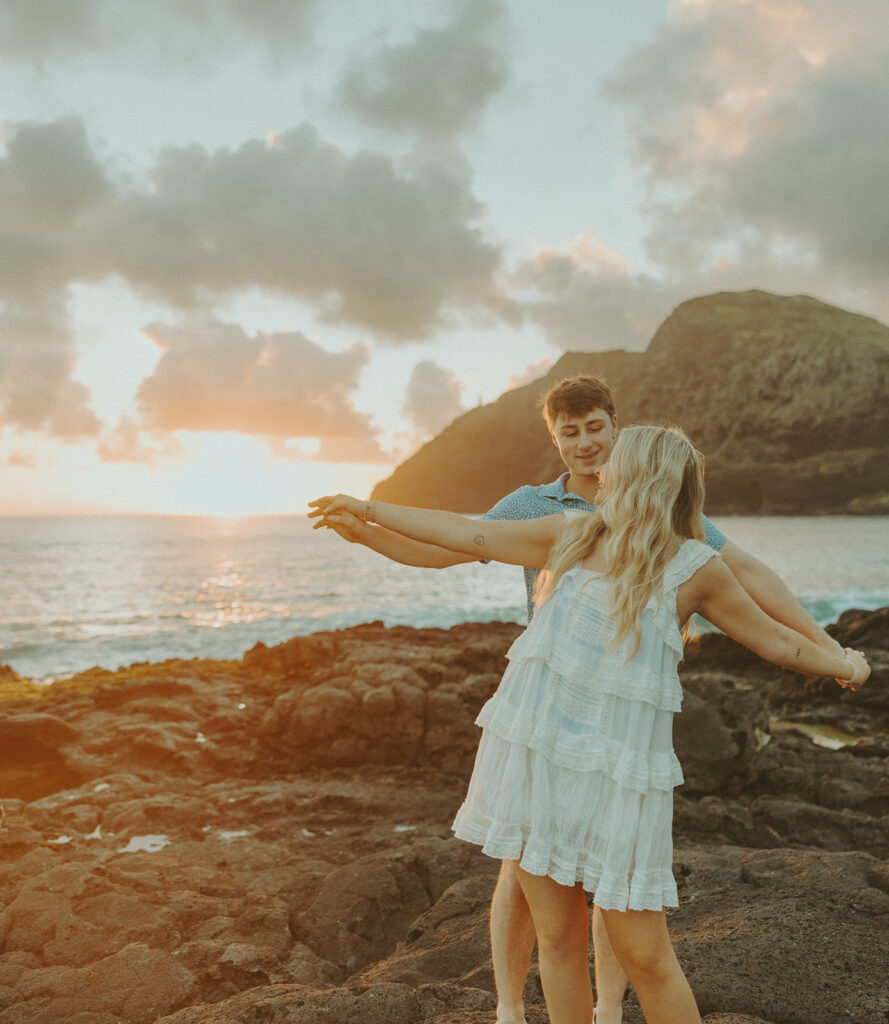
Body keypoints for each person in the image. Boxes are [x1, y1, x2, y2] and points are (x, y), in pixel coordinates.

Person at [310, 375, 847, 1024]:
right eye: (572, 432)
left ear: (616, 433)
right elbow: (453, 540)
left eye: (597, 429)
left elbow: (758, 596)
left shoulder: (681, 542)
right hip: (544, 717)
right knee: (532, 886)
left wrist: (833, 649)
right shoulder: (549, 517)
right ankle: (512, 1008)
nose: (588, 445)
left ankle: (607, 1009)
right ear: (556, 439)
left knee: (615, 901)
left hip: (617, 725)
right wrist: (368, 524)